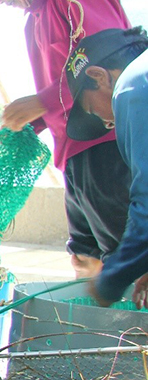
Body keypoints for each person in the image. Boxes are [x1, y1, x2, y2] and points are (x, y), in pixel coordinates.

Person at [0, 0, 133, 279]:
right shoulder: (33, 23)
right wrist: (32, 121)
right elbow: (60, 89)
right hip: (74, 157)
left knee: (127, 260)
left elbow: (111, 63)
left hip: (108, 145)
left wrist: (40, 102)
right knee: (85, 260)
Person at [61, 27, 148, 308]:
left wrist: (111, 280)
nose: (107, 123)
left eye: (91, 109)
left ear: (99, 76)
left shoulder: (133, 86)